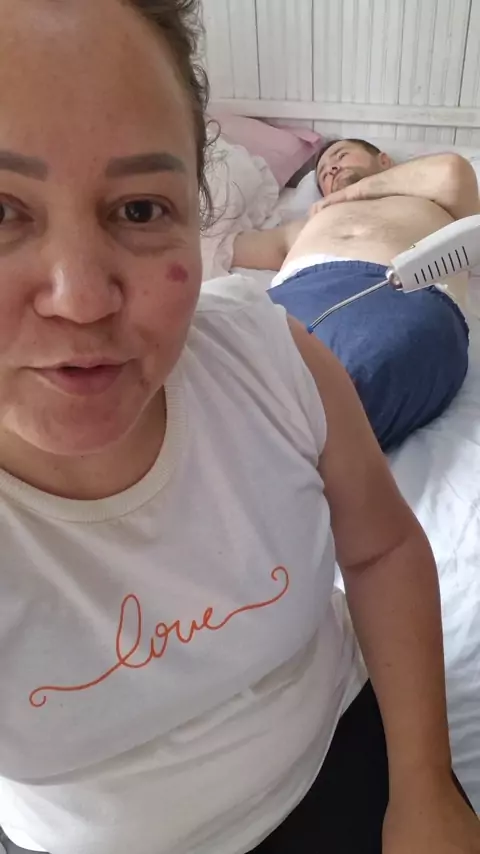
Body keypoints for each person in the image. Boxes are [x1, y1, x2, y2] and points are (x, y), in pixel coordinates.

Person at [0, 3, 479, 854]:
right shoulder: (297, 232)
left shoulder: (270, 350)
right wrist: (313, 208)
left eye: (140, 209)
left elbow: (381, 547)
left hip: (335, 754)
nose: (81, 299)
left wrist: (425, 788)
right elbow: (254, 251)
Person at [233, 139, 476, 450]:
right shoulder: (306, 224)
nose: (332, 168)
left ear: (384, 160)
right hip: (296, 294)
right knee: (219, 374)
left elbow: (452, 171)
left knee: (346, 391)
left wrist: (351, 193)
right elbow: (229, 245)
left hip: (403, 292)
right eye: (323, 173)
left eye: (342, 155)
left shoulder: (434, 198)